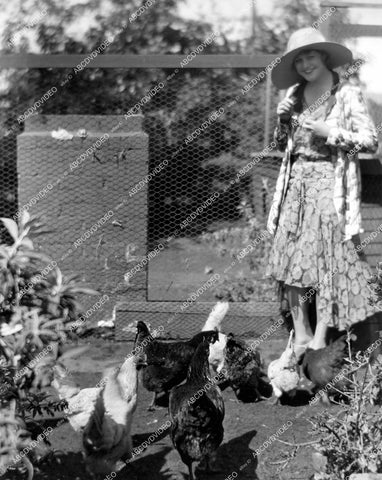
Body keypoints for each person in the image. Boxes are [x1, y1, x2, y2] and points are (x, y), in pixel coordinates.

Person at [265, 27, 379, 358]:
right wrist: (283, 121)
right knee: (292, 264)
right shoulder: (294, 94)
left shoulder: (346, 93)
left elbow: (370, 140)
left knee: (328, 262)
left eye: (310, 55)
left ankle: (321, 338)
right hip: (295, 188)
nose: (304, 64)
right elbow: (282, 146)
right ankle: (301, 336)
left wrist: (332, 132)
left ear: (324, 56)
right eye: (298, 59)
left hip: (330, 186)